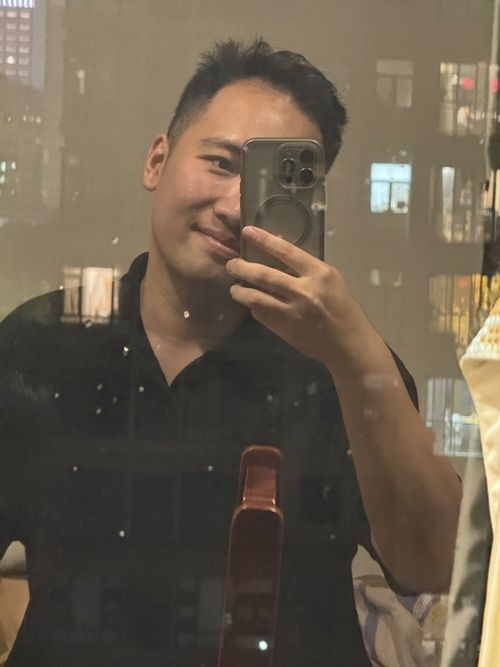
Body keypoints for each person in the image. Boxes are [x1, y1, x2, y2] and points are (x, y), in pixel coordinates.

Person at [0, 39, 461, 666]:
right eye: (220, 162)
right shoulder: (44, 341)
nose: (237, 207)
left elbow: (436, 565)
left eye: (276, 184)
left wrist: (357, 352)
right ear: (157, 161)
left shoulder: (335, 360)